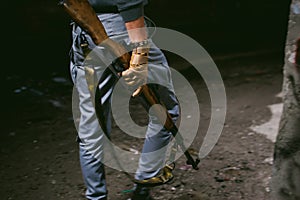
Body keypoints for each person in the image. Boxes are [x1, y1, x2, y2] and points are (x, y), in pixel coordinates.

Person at [69, 0, 180, 199]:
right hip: (124, 31)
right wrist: (140, 54)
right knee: (165, 110)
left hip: (85, 35)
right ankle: (144, 184)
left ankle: (96, 197)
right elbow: (130, 3)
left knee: (92, 130)